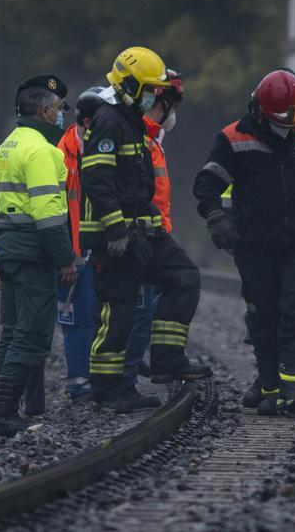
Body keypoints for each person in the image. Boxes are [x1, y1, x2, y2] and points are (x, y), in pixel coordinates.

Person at [195, 69, 295, 415]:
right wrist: (217, 219)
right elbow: (206, 185)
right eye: (281, 121)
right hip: (256, 244)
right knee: (264, 314)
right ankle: (271, 388)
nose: (288, 127)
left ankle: (294, 388)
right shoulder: (234, 138)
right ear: (260, 110)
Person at [81, 47, 210, 413]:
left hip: (143, 235)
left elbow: (136, 188)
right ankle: (107, 390)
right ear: (131, 87)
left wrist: (149, 225)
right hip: (116, 240)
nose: (155, 98)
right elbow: (97, 179)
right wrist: (116, 229)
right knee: (118, 313)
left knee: (184, 277)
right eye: (151, 90)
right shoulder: (109, 122)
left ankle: (168, 359)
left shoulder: (133, 124)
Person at [0, 76, 78, 437]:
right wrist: (65, 259)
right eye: (57, 109)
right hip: (33, 253)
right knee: (32, 334)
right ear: (44, 110)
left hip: (9, 249)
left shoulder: (8, 145)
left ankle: (2, 410)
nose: (60, 115)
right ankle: (4, 414)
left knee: (11, 332)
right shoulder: (41, 150)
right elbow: (49, 215)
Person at [121, 67, 184, 398]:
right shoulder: (140, 136)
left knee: (148, 303)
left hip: (155, 231)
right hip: (144, 234)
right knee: (140, 306)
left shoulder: (153, 138)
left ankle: (139, 364)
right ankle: (127, 375)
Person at [53, 87, 110, 402]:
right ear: (87, 122)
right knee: (77, 316)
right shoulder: (63, 154)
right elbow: (56, 210)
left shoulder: (100, 147)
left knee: (105, 313)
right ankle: (78, 381)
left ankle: (101, 376)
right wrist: (67, 255)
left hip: (103, 247)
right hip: (74, 252)